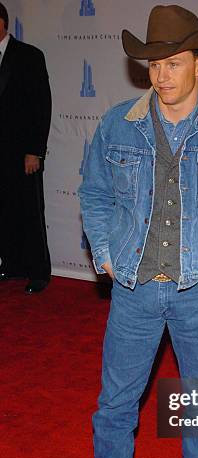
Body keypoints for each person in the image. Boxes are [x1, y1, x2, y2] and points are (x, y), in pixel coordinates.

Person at [72, 5, 198, 458]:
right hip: (134, 286)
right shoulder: (118, 122)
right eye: (153, 63)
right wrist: (106, 252)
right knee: (115, 400)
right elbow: (94, 193)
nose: (161, 73)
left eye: (174, 62)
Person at [0, 2, 52, 293]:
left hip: (23, 153)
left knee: (31, 211)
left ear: (2, 22)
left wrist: (35, 150)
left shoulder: (30, 56)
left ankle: (38, 271)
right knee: (3, 211)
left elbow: (42, 105)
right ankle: (10, 264)